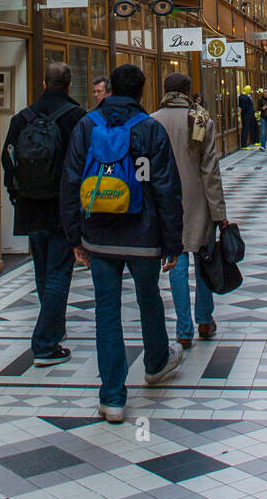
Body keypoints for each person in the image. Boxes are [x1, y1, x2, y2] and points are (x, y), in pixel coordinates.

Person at [60, 63, 184, 424]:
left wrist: (74, 237)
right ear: (142, 92)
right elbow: (166, 189)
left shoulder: (87, 125)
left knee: (106, 311)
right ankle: (156, 362)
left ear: (111, 89)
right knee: (148, 299)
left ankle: (112, 397)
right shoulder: (150, 129)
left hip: (98, 236)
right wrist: (172, 242)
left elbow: (70, 182)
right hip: (143, 236)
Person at [1, 62, 86, 366]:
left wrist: (17, 197)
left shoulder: (21, 119)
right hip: (63, 208)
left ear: (43, 82)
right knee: (59, 272)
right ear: (69, 84)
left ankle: (54, 328)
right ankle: (46, 344)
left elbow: (7, 161)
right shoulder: (77, 118)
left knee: (42, 271)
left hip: (31, 207)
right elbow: (85, 164)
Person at [151, 73, 228, 347]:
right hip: (199, 201)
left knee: (177, 260)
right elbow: (210, 170)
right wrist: (219, 212)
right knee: (204, 258)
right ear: (188, 91)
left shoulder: (153, 120)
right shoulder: (200, 119)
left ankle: (183, 330)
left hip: (165, 201)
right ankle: (205, 320)